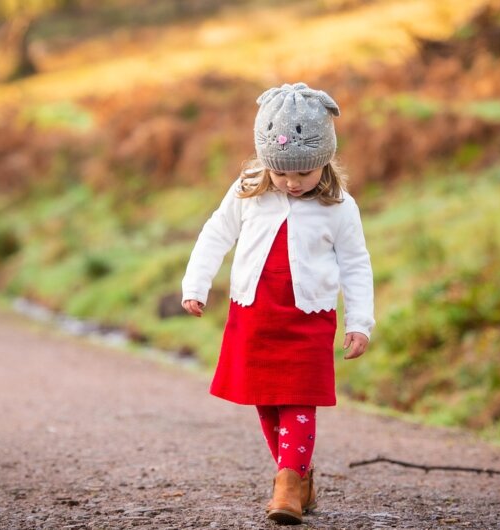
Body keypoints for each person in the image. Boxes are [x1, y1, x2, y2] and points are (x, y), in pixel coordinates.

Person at [181, 82, 374, 525]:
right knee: (266, 398)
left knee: (299, 395)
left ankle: (287, 481)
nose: (291, 182)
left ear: (323, 162)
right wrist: (197, 284)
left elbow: (356, 264)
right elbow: (216, 234)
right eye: (282, 172)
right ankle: (298, 476)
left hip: (309, 316)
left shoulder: (339, 207)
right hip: (255, 311)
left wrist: (360, 321)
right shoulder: (249, 188)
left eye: (302, 174)